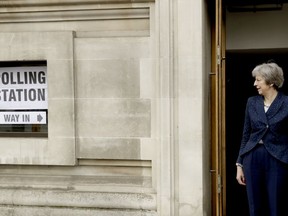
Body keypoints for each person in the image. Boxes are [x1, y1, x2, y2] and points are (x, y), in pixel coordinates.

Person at [236, 62, 288, 216]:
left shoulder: (286, 103)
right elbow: (246, 134)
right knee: (255, 206)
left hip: (278, 158)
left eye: (258, 80)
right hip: (252, 157)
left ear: (271, 82)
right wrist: (239, 164)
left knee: (276, 205)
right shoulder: (252, 102)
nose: (255, 84)